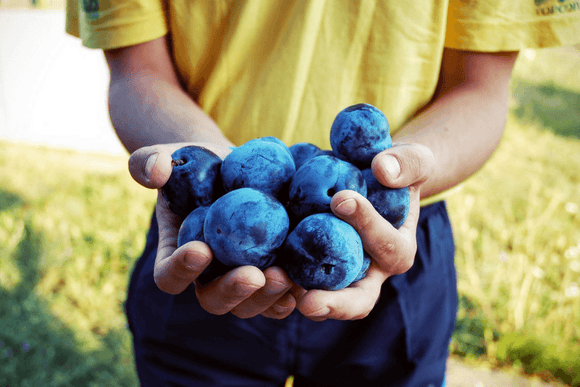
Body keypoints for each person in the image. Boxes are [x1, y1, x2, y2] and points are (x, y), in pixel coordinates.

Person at [66, 1, 580, 386]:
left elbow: (482, 89)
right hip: (205, 244)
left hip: (388, 235)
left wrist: (403, 170)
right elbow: (137, 73)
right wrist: (198, 163)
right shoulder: (216, 229)